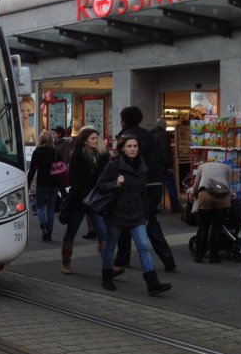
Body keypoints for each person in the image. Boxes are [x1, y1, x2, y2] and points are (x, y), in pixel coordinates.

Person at [97, 133, 171, 295]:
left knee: (143, 246)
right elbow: (100, 186)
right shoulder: (114, 165)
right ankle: (107, 277)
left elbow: (143, 193)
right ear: (122, 148)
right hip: (117, 213)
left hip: (136, 214)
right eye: (129, 146)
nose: (133, 149)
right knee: (110, 246)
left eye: (135, 146)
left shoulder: (141, 166)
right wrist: (115, 184)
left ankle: (152, 283)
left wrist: (146, 215)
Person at [113, 107, 177, 272]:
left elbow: (123, 163)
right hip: (155, 182)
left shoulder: (126, 137)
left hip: (135, 185)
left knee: (127, 219)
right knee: (150, 220)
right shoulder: (148, 135)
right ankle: (167, 258)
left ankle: (123, 258)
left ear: (123, 120)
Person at [59, 126, 109, 274]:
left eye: (97, 138)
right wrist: (83, 195)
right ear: (85, 141)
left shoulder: (101, 156)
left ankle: (108, 265)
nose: (96, 140)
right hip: (79, 200)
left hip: (95, 199)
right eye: (93, 138)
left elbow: (105, 175)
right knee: (72, 231)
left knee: (102, 232)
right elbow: (73, 179)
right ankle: (66, 262)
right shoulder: (77, 156)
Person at [188, 157, 233, 263]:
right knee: (217, 227)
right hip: (223, 197)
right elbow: (229, 185)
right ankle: (213, 257)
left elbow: (196, 184)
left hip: (206, 195)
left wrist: (194, 193)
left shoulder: (202, 166)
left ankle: (199, 256)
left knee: (203, 226)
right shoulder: (227, 167)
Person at [27, 130, 58, 242]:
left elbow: (32, 170)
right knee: (50, 208)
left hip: (41, 183)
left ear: (40, 139)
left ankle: (44, 227)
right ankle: (49, 231)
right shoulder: (54, 151)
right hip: (54, 182)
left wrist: (28, 184)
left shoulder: (37, 152)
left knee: (40, 207)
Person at [151, 118, 181, 212]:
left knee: (156, 186)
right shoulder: (164, 135)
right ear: (164, 126)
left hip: (153, 166)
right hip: (163, 166)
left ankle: (155, 206)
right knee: (170, 183)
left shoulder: (150, 134)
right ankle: (175, 206)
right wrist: (169, 166)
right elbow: (165, 152)